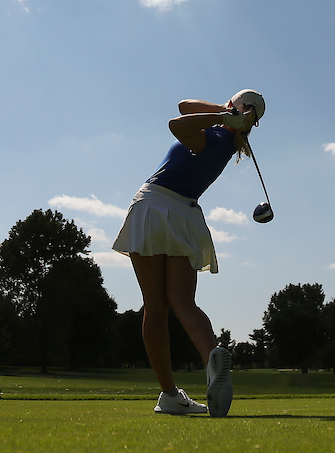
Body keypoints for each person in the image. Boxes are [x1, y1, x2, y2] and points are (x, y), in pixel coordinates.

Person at [112, 90, 266, 418]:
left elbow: (176, 124)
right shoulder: (224, 135)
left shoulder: (218, 140)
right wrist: (225, 111)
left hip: (154, 206)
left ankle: (169, 393)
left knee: (155, 306)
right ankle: (210, 357)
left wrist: (223, 117)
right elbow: (184, 106)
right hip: (183, 214)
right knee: (182, 303)